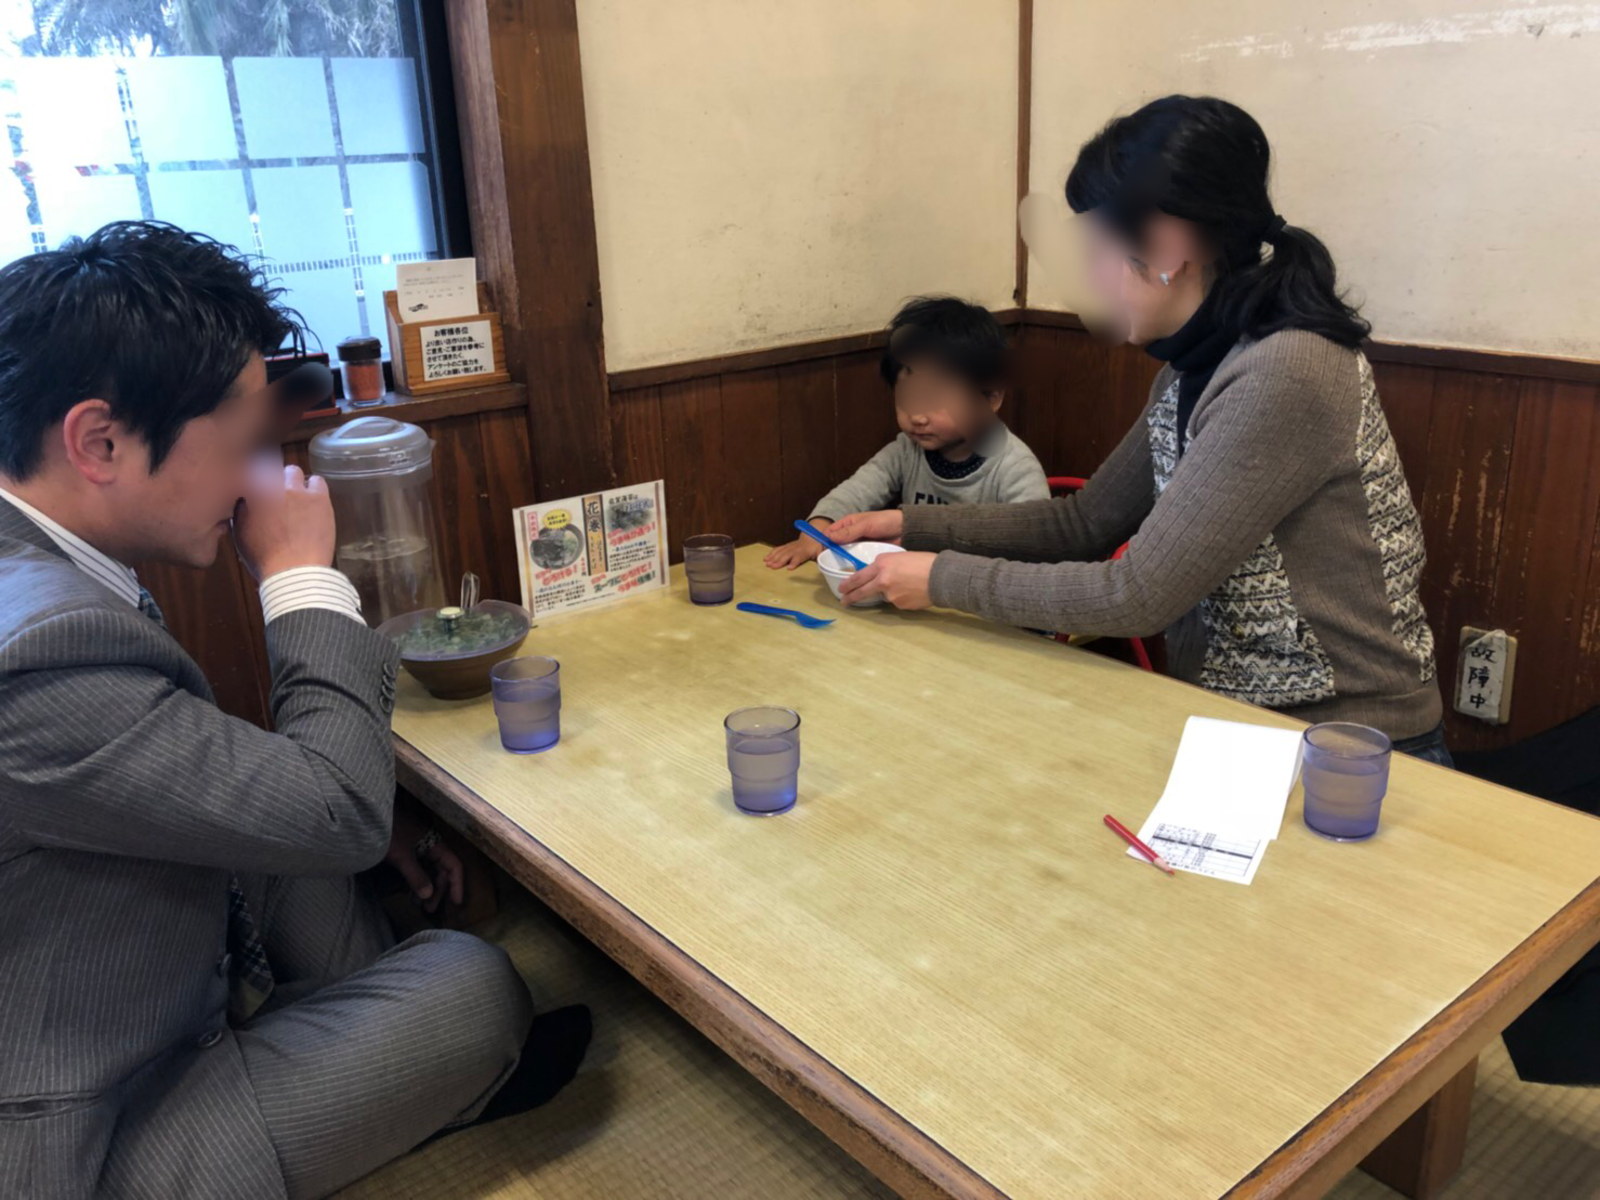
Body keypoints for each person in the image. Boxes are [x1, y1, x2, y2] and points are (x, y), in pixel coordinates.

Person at [0, 222, 590, 1199]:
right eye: (239, 444)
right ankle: (415, 1071)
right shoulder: (34, 656)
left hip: (108, 951)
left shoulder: (43, 559)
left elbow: (182, 767)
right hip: (90, 1130)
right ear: (98, 441)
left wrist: (338, 811)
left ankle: (367, 1055)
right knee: (472, 983)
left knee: (321, 856)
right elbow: (341, 812)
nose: (255, 476)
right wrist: (302, 580)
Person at [830, 97, 1450, 764]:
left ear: (1168, 246)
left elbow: (1138, 595)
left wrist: (937, 579)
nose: (1089, 281)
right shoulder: (1193, 368)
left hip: (1346, 745)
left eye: (1097, 252)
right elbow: (1085, 524)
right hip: (1236, 727)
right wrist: (903, 527)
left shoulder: (1285, 370)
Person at [764, 296, 1048, 570]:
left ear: (992, 399)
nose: (918, 416)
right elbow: (856, 490)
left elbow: (1035, 547)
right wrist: (817, 532)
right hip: (910, 593)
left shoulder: (1015, 466)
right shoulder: (906, 450)